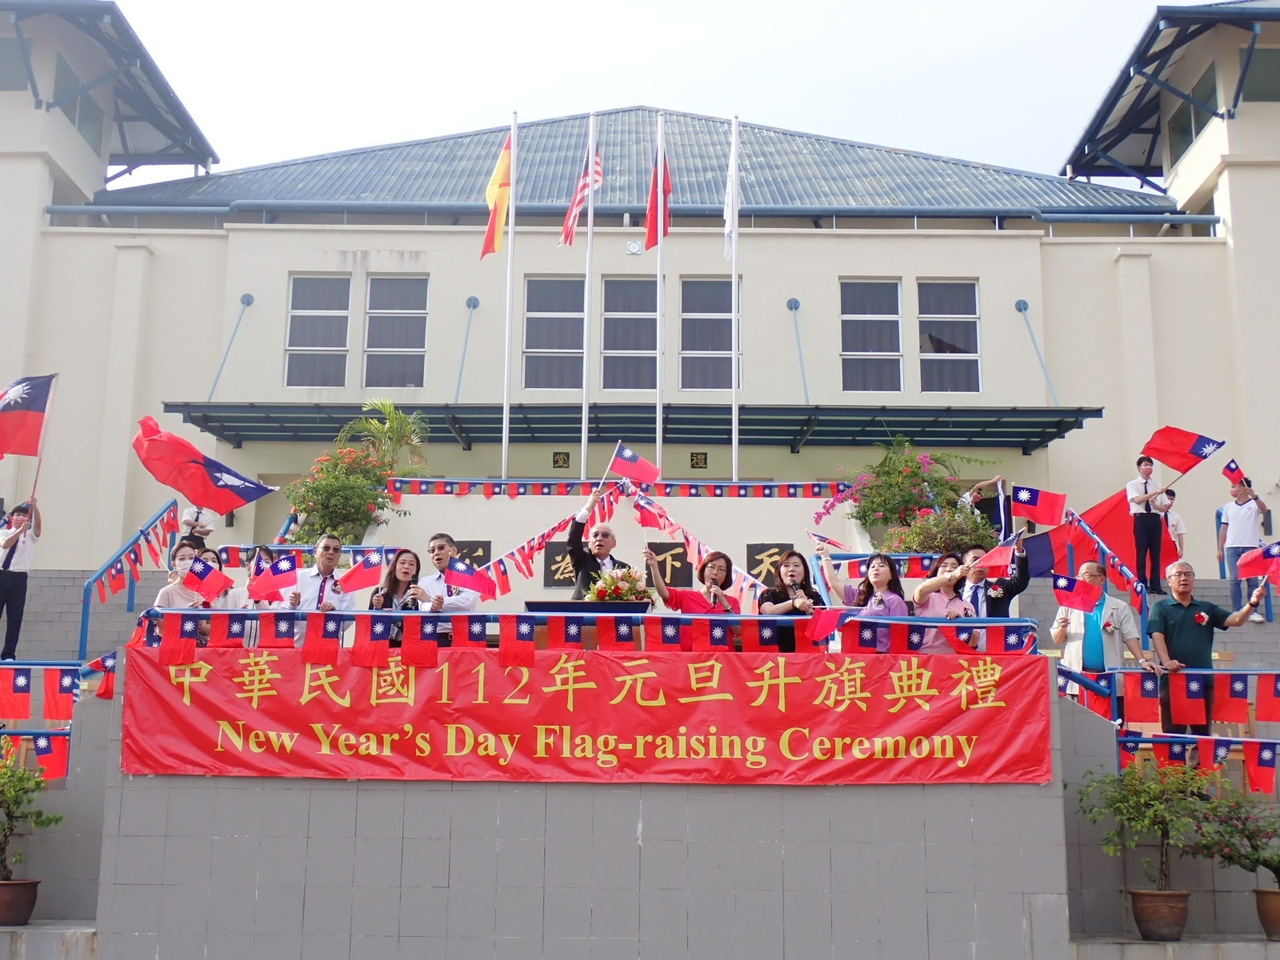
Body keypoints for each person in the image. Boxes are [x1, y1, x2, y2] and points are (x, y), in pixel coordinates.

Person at [1150, 560, 1266, 735]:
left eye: (1188, 574)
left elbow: (1236, 620)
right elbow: (1157, 636)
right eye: (1179, 574)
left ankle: (1201, 764)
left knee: (1202, 734)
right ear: (1169, 580)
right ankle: (1173, 765)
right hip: (1173, 679)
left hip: (1203, 677)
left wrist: (1252, 603)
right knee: (1173, 733)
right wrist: (1167, 662)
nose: (1183, 578)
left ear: (1194, 580)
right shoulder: (1161, 607)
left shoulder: (1206, 608)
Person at [1050, 559, 1154, 698]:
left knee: (1111, 717)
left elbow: (1130, 637)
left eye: (1086, 575)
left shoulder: (1119, 606)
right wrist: (1062, 628)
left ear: (1101, 579)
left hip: (1107, 674)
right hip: (1077, 676)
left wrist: (1142, 661)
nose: (1081, 579)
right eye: (1079, 576)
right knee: (1078, 716)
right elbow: (1057, 640)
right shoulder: (1068, 606)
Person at [817, 547, 910, 653]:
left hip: (880, 658)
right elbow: (834, 583)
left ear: (891, 575)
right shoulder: (858, 596)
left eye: (881, 566)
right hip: (854, 657)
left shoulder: (895, 601)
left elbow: (900, 636)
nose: (876, 569)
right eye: (872, 566)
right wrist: (825, 556)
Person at [644, 547, 740, 648]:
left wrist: (724, 603)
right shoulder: (687, 596)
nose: (715, 572)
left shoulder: (731, 602)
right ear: (703, 570)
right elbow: (664, 593)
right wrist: (654, 566)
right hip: (691, 658)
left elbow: (737, 631)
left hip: (721, 659)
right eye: (711, 567)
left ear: (726, 576)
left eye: (721, 569)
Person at [283, 534, 356, 642]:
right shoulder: (298, 577)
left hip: (328, 649)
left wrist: (334, 614)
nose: (331, 552)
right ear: (315, 552)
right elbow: (281, 614)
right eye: (326, 548)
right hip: (298, 648)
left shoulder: (345, 582)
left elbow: (348, 622)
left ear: (340, 555)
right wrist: (292, 605)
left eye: (336, 550)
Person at [410, 533, 480, 644]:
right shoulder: (425, 582)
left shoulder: (471, 577)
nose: (436, 553)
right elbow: (422, 606)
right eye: (432, 551)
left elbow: (466, 602)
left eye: (441, 548)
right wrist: (432, 605)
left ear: (454, 550)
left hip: (465, 637)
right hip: (435, 638)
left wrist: (435, 601)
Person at [1218, 476, 1269, 623]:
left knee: (1252, 580)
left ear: (1244, 488)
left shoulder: (1253, 505)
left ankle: (1253, 611)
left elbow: (1264, 510)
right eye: (1232, 486)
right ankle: (1236, 610)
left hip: (1251, 547)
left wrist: (1255, 497)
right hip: (1232, 547)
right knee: (1235, 579)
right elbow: (1223, 528)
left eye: (1235, 486)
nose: (1233, 489)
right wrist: (1220, 548)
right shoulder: (1228, 507)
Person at [567, 488, 631, 599]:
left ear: (614, 543)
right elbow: (573, 540)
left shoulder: (624, 568)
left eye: (605, 535)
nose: (599, 539)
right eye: (595, 535)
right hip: (583, 613)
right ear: (589, 543)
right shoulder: (582, 560)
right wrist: (588, 507)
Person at [759, 550, 826, 653]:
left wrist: (809, 610)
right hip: (776, 654)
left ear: (804, 573)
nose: (791, 569)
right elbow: (768, 611)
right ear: (779, 572)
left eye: (796, 565)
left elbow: (825, 624)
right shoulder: (769, 594)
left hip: (807, 656)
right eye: (786, 565)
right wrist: (794, 603)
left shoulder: (814, 596)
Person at [912, 552, 977, 654]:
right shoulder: (928, 597)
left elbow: (974, 641)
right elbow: (920, 590)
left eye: (954, 567)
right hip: (926, 658)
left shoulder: (967, 605)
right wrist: (952, 575)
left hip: (954, 662)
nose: (949, 569)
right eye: (944, 565)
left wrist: (961, 623)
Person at [0, 499, 40, 660]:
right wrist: (18, 531)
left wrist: (35, 508)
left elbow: (38, 527)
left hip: (19, 579)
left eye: (24, 515)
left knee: (15, 618)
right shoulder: (3, 532)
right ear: (12, 518)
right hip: (3, 575)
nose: (20, 518)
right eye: (17, 515)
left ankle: (8, 654)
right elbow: (6, 545)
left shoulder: (30, 536)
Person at [1127, 455, 1169, 594]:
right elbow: (1137, 500)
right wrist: (1154, 493)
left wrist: (1155, 504)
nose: (1148, 467)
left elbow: (1164, 507)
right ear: (1139, 467)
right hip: (1141, 519)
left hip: (1155, 519)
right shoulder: (1133, 484)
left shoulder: (1157, 485)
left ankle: (1156, 585)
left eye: (1150, 465)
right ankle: (1142, 584)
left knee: (1156, 553)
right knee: (1142, 552)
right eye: (1145, 465)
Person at [959, 540, 1029, 619]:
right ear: (964, 565)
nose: (980, 564)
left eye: (984, 560)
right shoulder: (955, 591)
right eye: (975, 560)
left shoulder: (1000, 586)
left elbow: (1021, 581)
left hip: (993, 631)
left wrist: (1019, 551)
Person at [371, 548, 421, 647]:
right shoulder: (380, 592)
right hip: (382, 646)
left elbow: (418, 626)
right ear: (394, 567)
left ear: (416, 570)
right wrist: (377, 608)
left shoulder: (417, 594)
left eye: (411, 564)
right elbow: (370, 624)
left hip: (409, 647)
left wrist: (397, 620)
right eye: (402, 562)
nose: (406, 567)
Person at [1164, 489, 1187, 558]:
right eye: (1168, 498)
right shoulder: (1156, 514)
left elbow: (1180, 533)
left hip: (1171, 543)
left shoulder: (1176, 516)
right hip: (1159, 542)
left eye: (1172, 499)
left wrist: (1181, 549)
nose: (1170, 501)